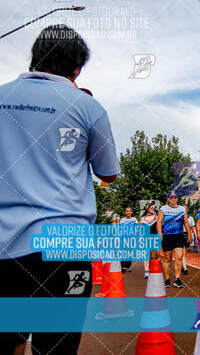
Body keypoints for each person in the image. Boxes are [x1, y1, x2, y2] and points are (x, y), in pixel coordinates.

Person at [0, 24, 120, 355]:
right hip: (65, 248)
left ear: (35, 58)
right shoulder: (88, 108)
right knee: (56, 346)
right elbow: (108, 174)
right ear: (77, 67)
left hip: (4, 246)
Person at [157, 192, 193, 288]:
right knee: (167, 259)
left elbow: (186, 222)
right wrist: (160, 235)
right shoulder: (163, 209)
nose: (173, 199)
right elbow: (159, 222)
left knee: (179, 256)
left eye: (175, 197)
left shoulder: (181, 209)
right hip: (167, 236)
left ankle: (177, 279)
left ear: (177, 198)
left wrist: (189, 234)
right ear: (168, 199)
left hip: (178, 236)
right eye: (171, 197)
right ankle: (167, 280)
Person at [140, 202, 159, 279]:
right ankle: (146, 271)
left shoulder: (156, 217)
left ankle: (153, 267)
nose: (153, 209)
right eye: (151, 208)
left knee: (153, 255)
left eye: (154, 208)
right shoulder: (142, 218)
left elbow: (159, 227)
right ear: (147, 209)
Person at [119, 207, 138, 272]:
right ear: (125, 212)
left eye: (129, 211)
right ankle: (123, 266)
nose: (128, 213)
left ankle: (128, 266)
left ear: (131, 212)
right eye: (127, 211)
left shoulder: (134, 220)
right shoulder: (122, 220)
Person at [181, 204, 196, 275]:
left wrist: (196, 235)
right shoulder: (179, 218)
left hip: (188, 235)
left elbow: (193, 227)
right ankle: (185, 268)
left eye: (185, 209)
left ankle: (182, 265)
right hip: (180, 235)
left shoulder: (191, 218)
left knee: (185, 252)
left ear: (187, 210)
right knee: (182, 252)